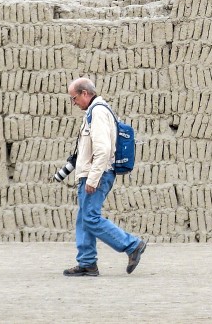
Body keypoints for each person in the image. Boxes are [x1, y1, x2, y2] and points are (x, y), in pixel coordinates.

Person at [62, 77, 147, 277]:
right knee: (84, 219)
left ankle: (132, 245)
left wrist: (93, 179)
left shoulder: (98, 111)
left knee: (90, 218)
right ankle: (87, 263)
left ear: (85, 93)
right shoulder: (95, 111)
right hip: (92, 174)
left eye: (74, 98)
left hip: (97, 175)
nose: (73, 103)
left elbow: (103, 149)